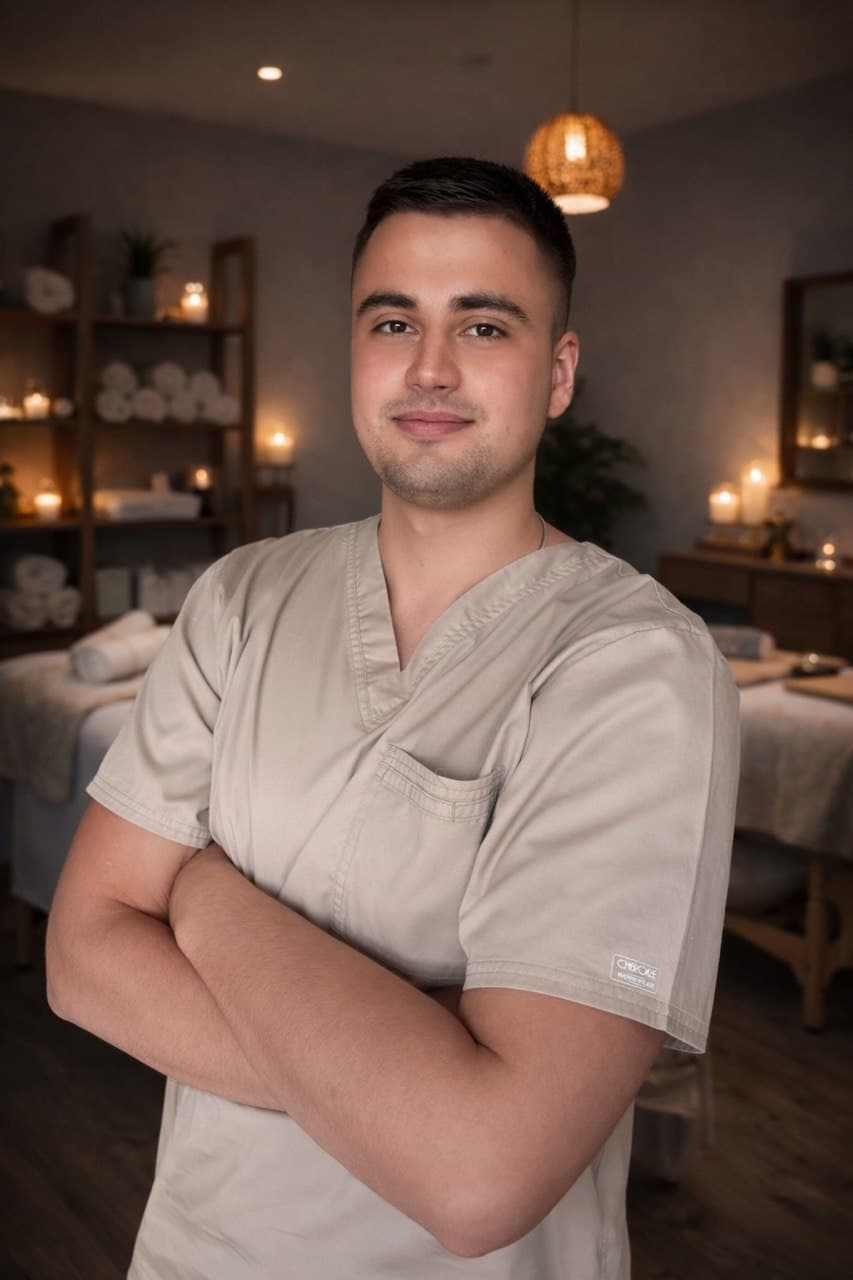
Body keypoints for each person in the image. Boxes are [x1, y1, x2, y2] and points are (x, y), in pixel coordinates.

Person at [46, 156, 742, 1278]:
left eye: (482, 327)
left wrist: (197, 889)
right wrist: (421, 1089)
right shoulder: (241, 598)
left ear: (557, 374)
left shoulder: (632, 664)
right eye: (390, 321)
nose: (427, 367)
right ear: (352, 352)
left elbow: (481, 1181)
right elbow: (80, 958)